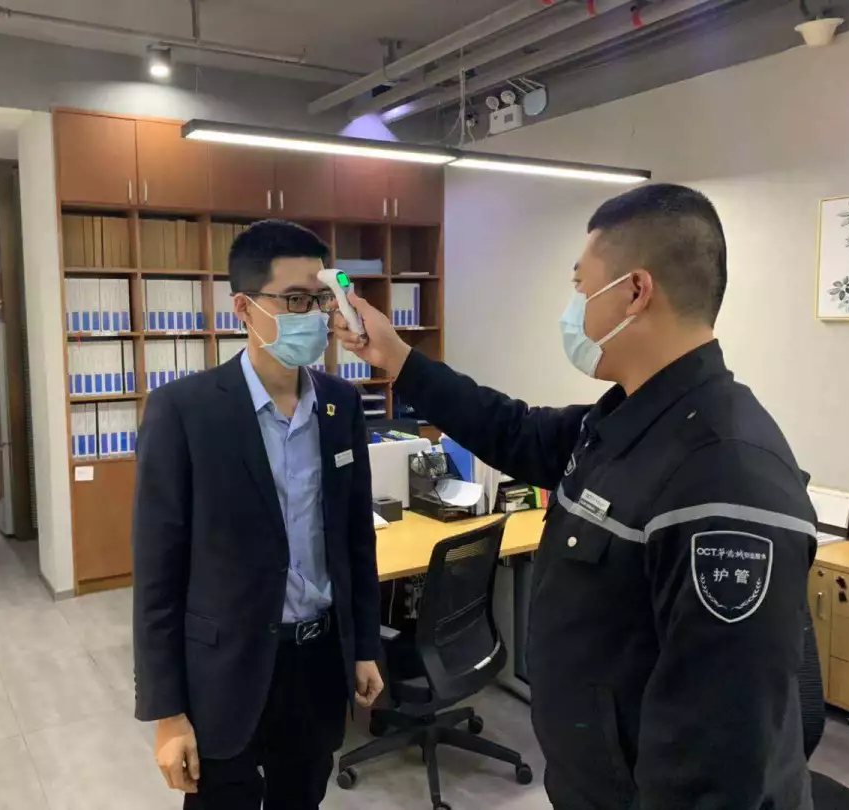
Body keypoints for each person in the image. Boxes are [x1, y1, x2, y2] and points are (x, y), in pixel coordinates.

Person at [334, 184, 817, 809]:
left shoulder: (723, 475)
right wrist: (399, 358)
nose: (574, 308)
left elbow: (719, 756)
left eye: (580, 285)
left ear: (635, 291)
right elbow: (513, 429)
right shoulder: (627, 419)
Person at [133, 219, 384, 810]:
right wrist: (167, 713)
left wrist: (364, 645)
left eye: (321, 300)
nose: (314, 315)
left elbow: (355, 539)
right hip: (226, 671)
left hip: (317, 661)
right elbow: (157, 574)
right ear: (244, 308)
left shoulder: (341, 405)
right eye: (295, 300)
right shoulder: (183, 411)